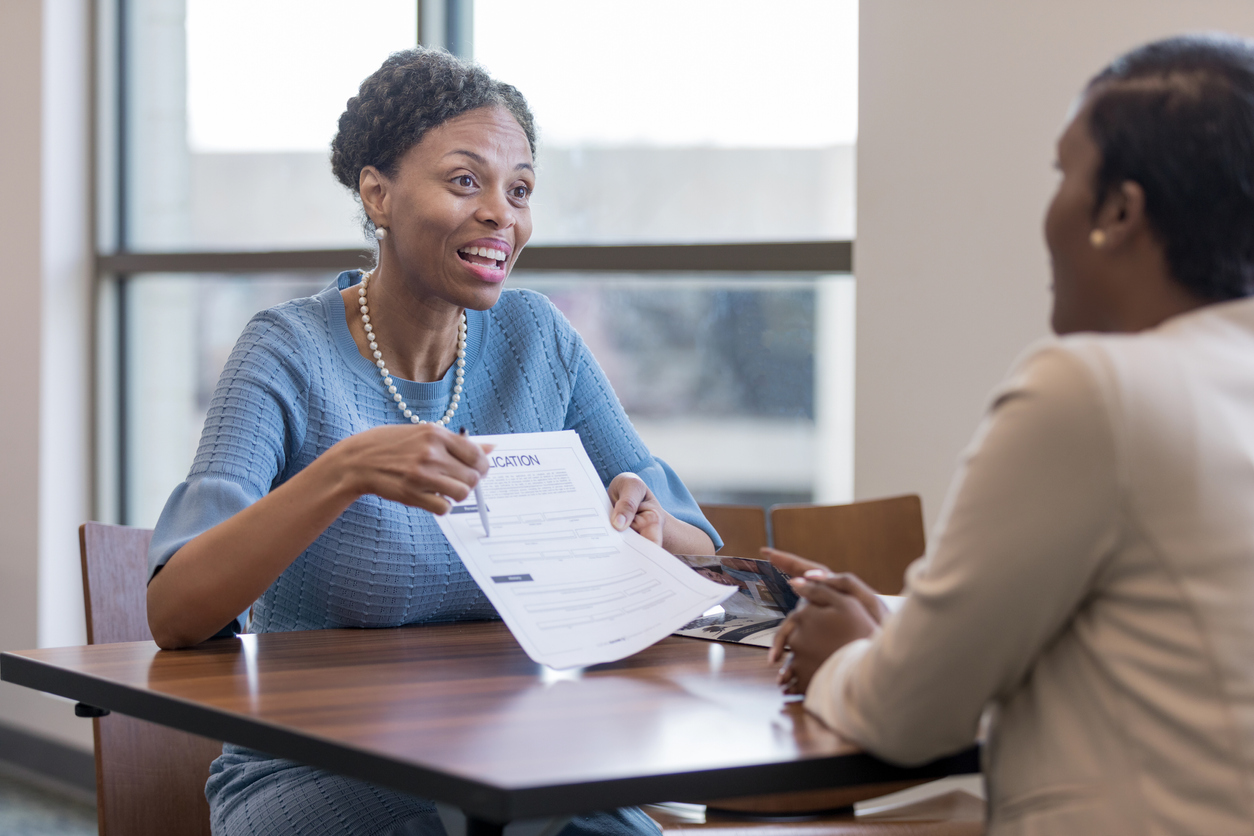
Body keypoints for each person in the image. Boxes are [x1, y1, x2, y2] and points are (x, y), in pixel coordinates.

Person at [145, 48, 719, 836]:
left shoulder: (539, 339)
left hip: (521, 755)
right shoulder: (287, 350)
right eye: (464, 181)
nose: (500, 214)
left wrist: (647, 526)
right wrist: (342, 472)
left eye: (519, 190)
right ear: (376, 194)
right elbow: (176, 612)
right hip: (322, 763)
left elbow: (699, 550)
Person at [768, 34, 1254, 836]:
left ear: (1120, 213)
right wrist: (906, 635)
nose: (1049, 210)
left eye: (1064, 175)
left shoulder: (1092, 389)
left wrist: (850, 657)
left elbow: (905, 716)